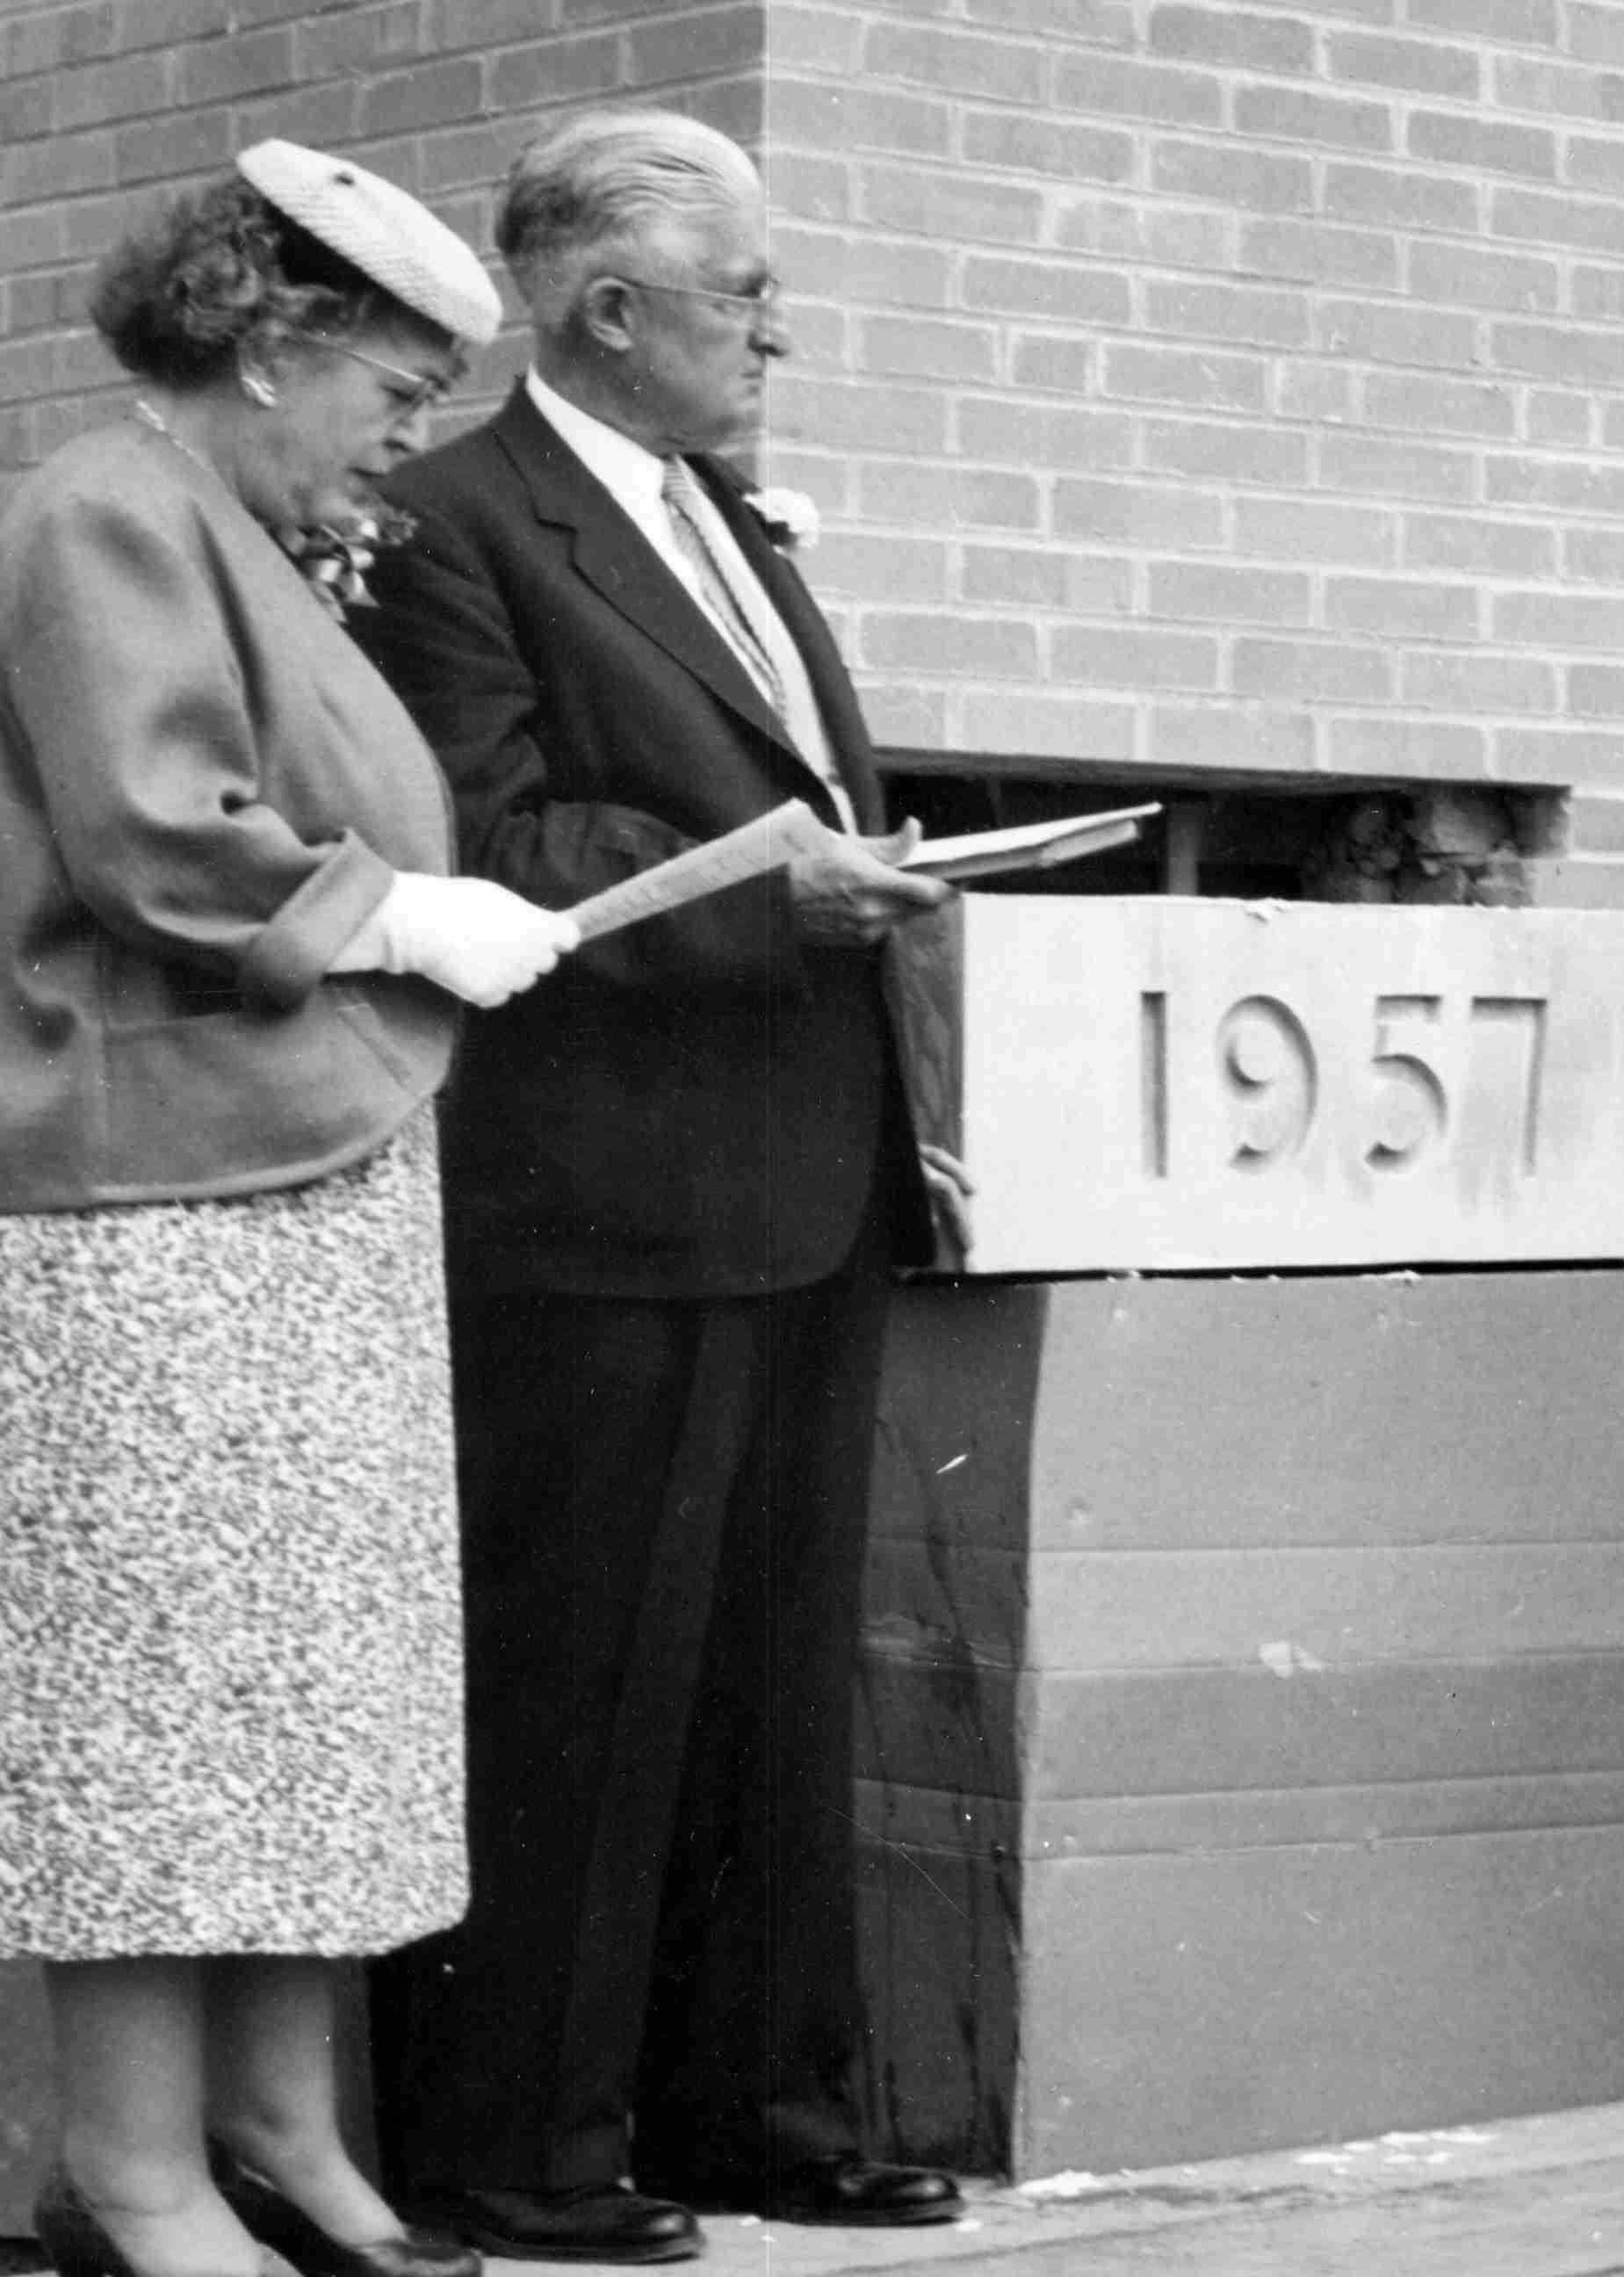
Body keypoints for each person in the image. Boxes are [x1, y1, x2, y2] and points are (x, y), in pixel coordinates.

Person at [345, 110, 966, 2264]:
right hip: (605, 1203)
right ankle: (517, 2144)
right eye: (747, 299)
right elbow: (483, 848)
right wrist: (771, 899)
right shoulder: (448, 528)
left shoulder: (726, 523)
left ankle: (757, 2114)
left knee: (770, 1681)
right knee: (583, 1685)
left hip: (800, 1170)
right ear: (610, 313)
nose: (778, 335)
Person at [0, 143, 581, 2277]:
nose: (407, 439)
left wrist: (399, 910)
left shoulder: (215, 522)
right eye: (394, 389)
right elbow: (157, 828)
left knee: (292, 1694)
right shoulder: (106, 510)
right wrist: (398, 907)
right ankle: (137, 2182)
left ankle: (276, 2135)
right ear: (272, 342)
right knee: (168, 1708)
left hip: (276, 1168)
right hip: (149, 1185)